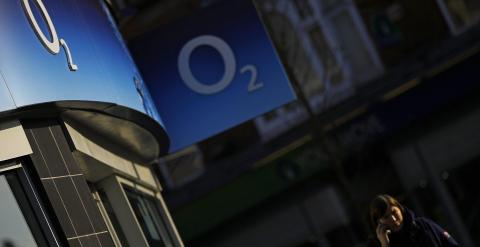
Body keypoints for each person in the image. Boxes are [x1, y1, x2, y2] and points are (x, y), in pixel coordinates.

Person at [369, 194, 459, 247]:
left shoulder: (422, 225)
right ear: (379, 222)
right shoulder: (376, 244)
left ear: (400, 208)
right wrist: (385, 244)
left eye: (394, 212)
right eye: (386, 217)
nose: (393, 219)